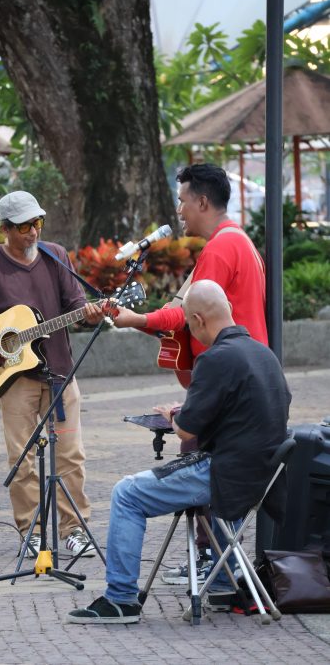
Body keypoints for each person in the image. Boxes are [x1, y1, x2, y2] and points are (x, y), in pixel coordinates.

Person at [67, 280, 291, 624]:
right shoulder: (265, 354)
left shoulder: (215, 358)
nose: (189, 329)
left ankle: (121, 599)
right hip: (259, 478)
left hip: (223, 476)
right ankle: (221, 583)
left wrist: (174, 414)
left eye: (188, 323)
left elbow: (187, 430)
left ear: (198, 320)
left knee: (127, 493)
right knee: (215, 471)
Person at [111, 163, 267, 584]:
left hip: (224, 378)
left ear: (202, 201)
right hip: (245, 381)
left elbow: (188, 311)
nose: (179, 210)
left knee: (192, 457)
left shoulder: (219, 249)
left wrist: (136, 319)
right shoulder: (243, 242)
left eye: (182, 201)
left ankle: (209, 564)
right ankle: (220, 568)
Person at [0, 190, 103, 557]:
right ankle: (31, 531)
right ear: (5, 229)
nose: (33, 232)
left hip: (60, 374)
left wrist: (87, 312)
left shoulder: (55, 255)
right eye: (25, 226)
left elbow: (75, 303)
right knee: (21, 458)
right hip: (14, 380)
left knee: (71, 455)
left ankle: (74, 529)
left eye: (38, 223)